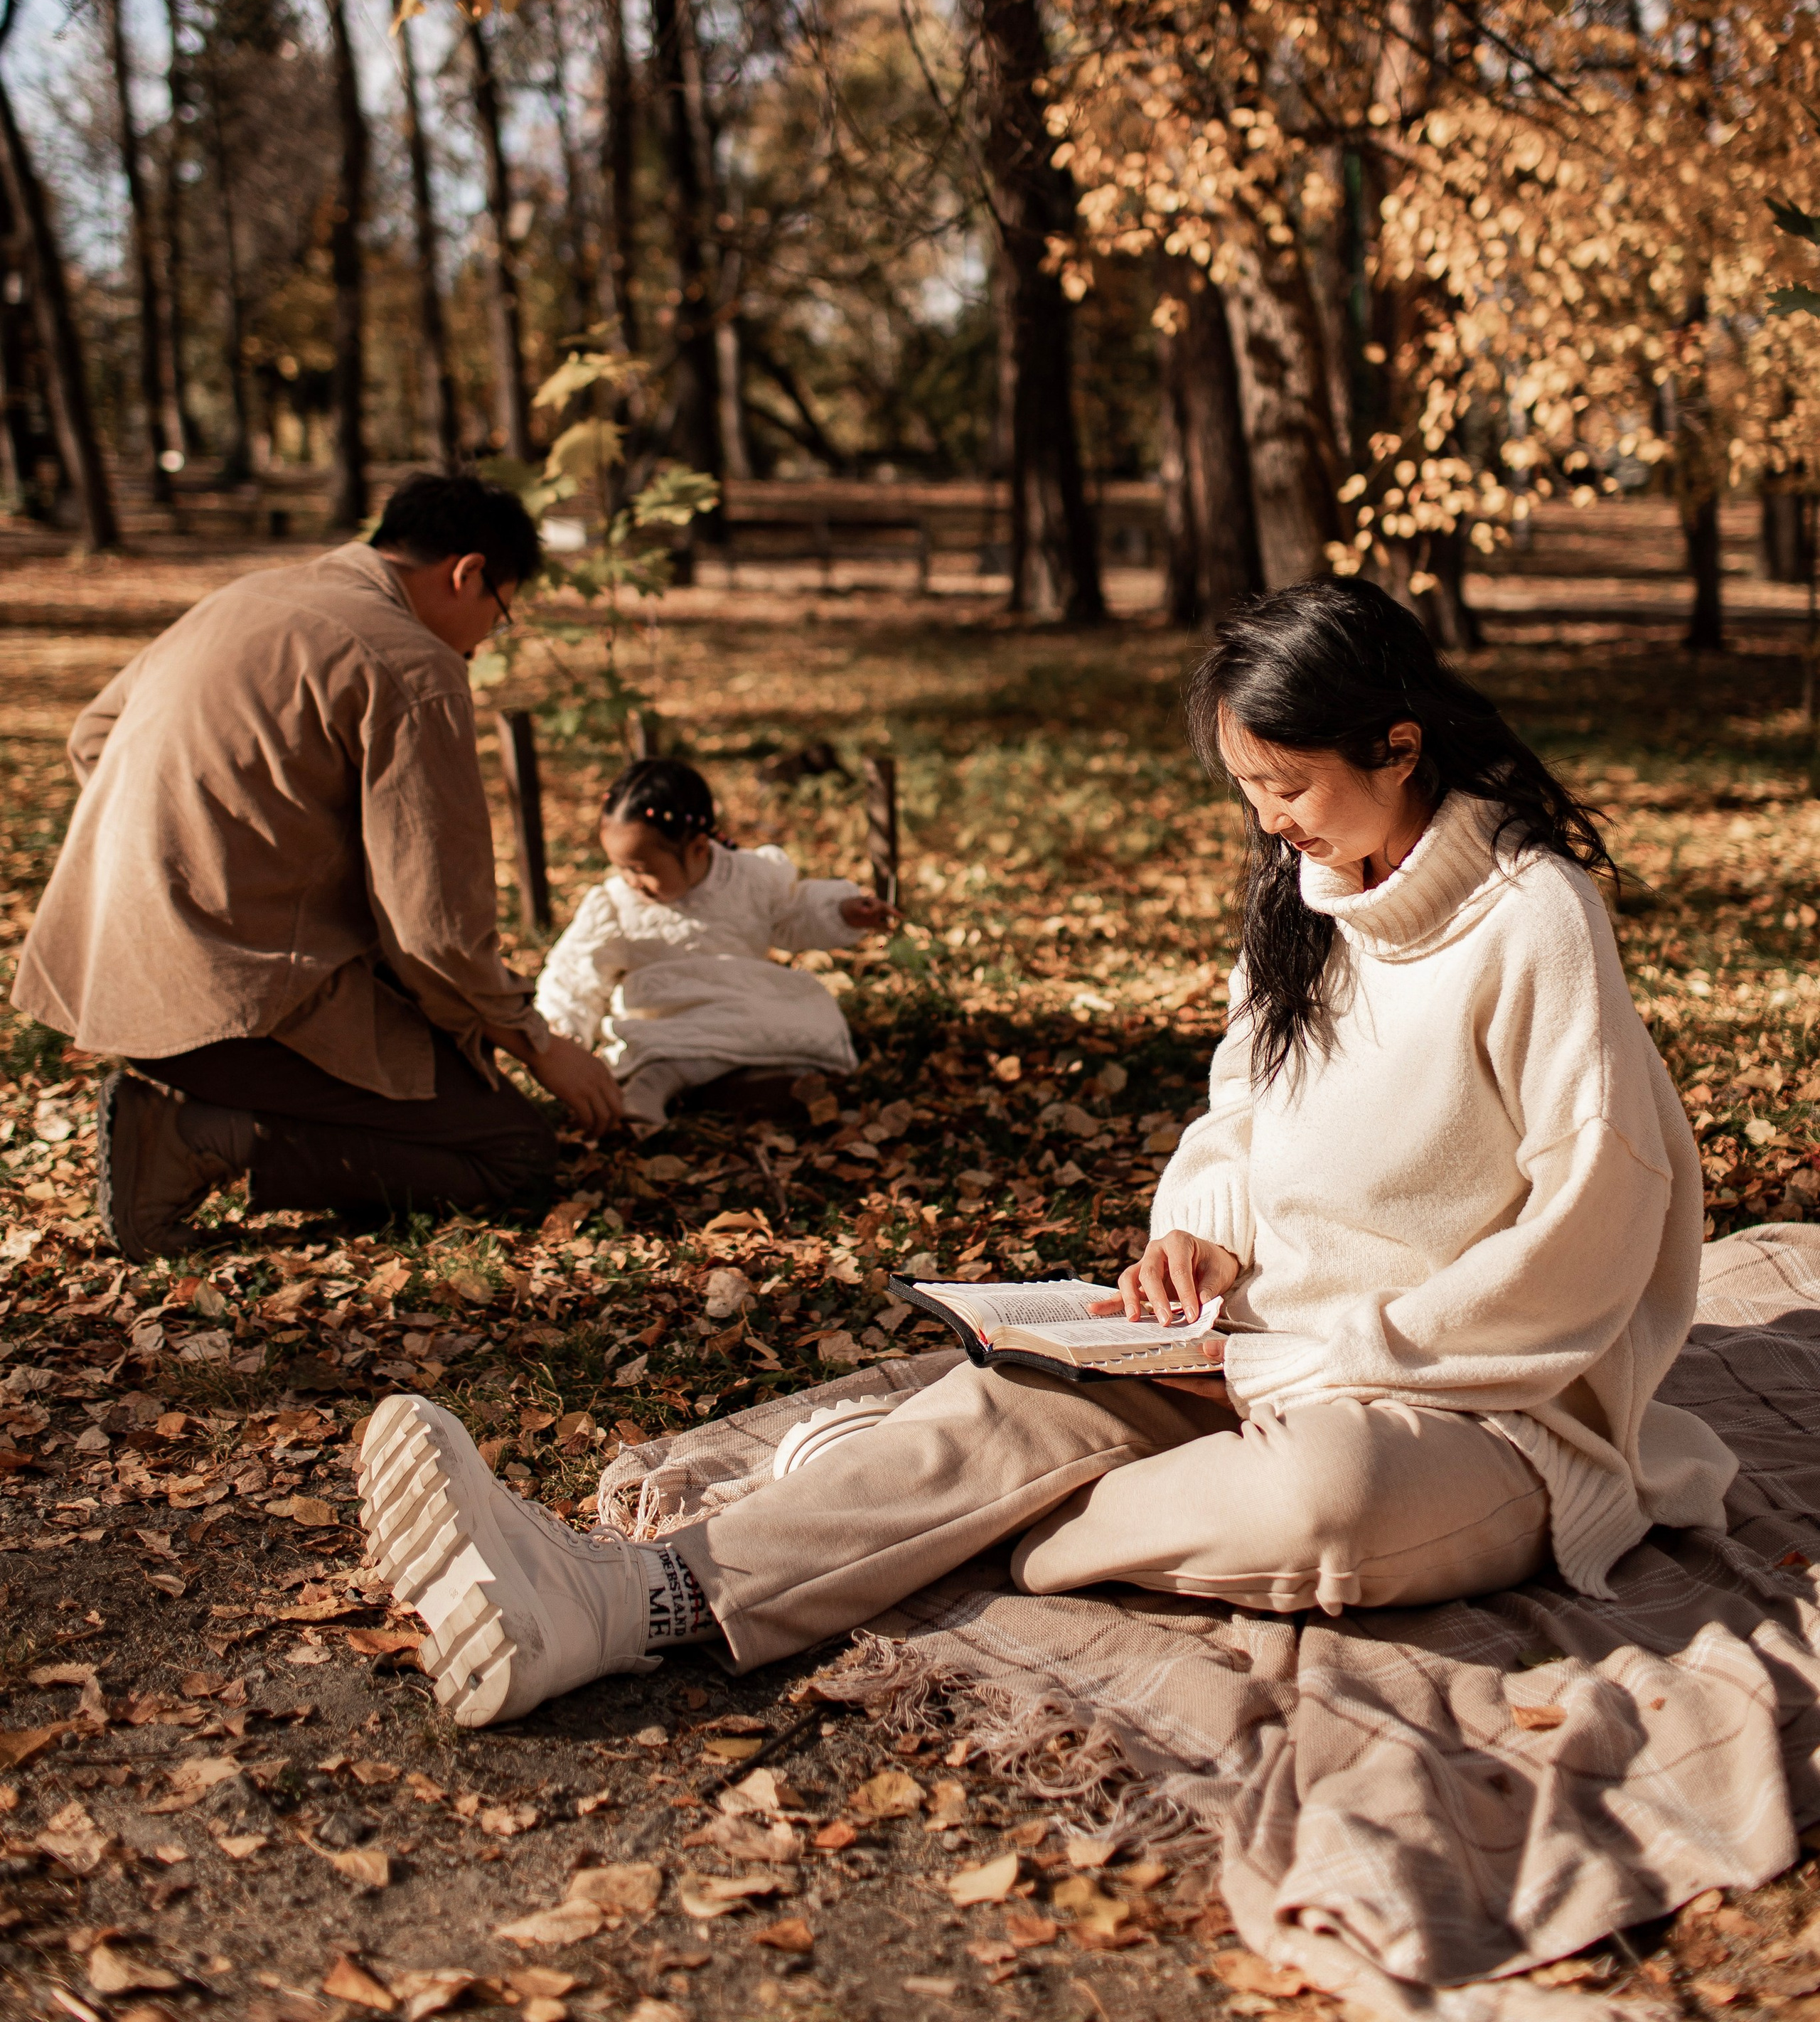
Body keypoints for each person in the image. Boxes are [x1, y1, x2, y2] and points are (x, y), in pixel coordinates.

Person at [355, 575, 1737, 1728]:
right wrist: (1192, 1223)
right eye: (1246, 785)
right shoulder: (1303, 898)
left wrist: (1342, 1354)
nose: (1270, 820)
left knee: (1326, 1507)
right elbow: (1236, 1114)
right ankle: (611, 1600)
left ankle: (919, 1520)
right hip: (1245, 1339)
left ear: (1395, 746)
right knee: (1019, 1404)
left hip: (1472, 1399)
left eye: (1288, 782)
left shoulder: (1530, 919)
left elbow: (1594, 1221)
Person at [14, 473, 623, 1262]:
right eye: (497, 616)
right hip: (237, 997)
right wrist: (538, 1043)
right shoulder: (415, 664)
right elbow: (435, 932)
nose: (480, 642)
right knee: (514, 1152)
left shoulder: (245, 596)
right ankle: (192, 1136)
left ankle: (202, 1107)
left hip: (108, 965)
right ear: (468, 574)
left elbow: (91, 738)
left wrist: (176, 857)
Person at [533, 758, 892, 1133]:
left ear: (699, 848)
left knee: (808, 1016)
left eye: (642, 869)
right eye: (622, 867)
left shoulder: (750, 878)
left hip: (743, 1000)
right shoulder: (615, 905)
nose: (631, 881)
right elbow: (576, 970)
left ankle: (767, 1078)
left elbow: (793, 912)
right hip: (668, 1014)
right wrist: (562, 1032)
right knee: (656, 1049)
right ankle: (653, 1085)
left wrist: (843, 911)